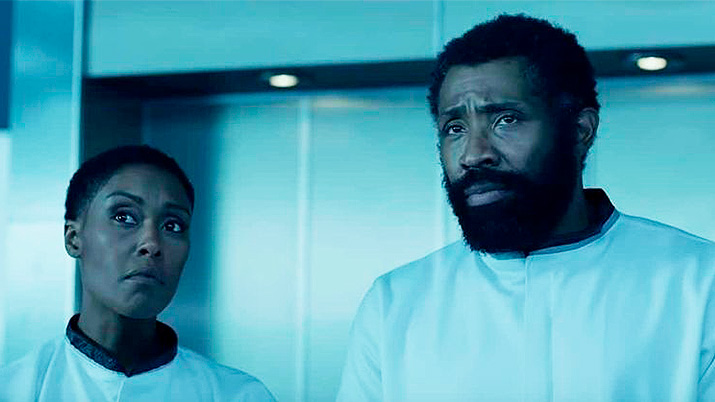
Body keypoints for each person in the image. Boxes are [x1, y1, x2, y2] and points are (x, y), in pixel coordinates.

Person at [337, 14, 715, 401]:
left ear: (580, 131)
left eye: (506, 120)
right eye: (455, 128)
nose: (473, 154)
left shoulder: (699, 283)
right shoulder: (395, 303)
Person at [0, 145, 275, 401]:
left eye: (173, 225)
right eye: (124, 217)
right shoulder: (15, 390)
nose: (151, 244)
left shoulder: (237, 395)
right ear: (74, 239)